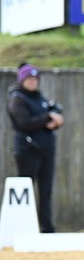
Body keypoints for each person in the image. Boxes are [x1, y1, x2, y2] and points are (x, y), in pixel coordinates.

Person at [7, 63, 63, 233]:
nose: (32, 82)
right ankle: (22, 227)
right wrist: (48, 117)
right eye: (29, 79)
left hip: (46, 149)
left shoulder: (39, 97)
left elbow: (49, 118)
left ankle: (47, 228)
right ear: (22, 80)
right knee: (26, 190)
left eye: (35, 79)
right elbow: (25, 123)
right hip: (28, 150)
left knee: (46, 191)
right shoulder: (18, 99)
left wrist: (56, 120)